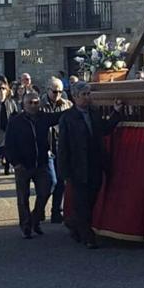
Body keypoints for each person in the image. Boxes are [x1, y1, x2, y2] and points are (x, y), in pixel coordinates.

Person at [57, 81, 123, 249]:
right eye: (83, 95)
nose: (87, 98)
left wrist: (116, 112)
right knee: (82, 202)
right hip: (78, 166)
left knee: (92, 199)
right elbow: (63, 146)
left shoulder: (94, 112)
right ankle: (88, 237)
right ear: (75, 97)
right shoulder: (67, 117)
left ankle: (75, 224)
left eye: (88, 94)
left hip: (95, 164)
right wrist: (64, 172)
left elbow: (105, 129)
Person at [5, 90, 65, 239]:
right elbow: (9, 144)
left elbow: (59, 116)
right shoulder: (15, 121)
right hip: (23, 165)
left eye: (36, 102)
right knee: (23, 197)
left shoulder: (43, 118)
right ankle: (26, 226)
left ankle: (35, 219)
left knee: (49, 186)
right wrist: (15, 163)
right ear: (23, 105)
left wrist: (73, 106)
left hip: (42, 163)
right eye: (30, 103)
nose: (33, 105)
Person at [40, 76, 72, 224]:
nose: (58, 94)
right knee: (50, 182)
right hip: (45, 149)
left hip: (61, 147)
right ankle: (39, 210)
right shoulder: (40, 105)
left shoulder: (67, 105)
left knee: (61, 181)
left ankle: (56, 211)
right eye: (54, 91)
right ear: (48, 90)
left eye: (60, 91)